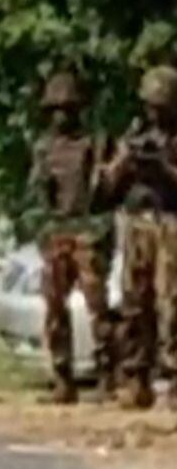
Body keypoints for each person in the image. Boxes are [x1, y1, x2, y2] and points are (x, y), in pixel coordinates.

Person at [28, 72, 117, 403]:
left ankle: (108, 375)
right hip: (58, 231)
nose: (61, 115)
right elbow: (37, 195)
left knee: (98, 309)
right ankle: (63, 379)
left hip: (87, 232)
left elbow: (107, 191)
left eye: (67, 108)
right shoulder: (44, 149)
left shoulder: (93, 145)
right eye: (55, 109)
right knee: (54, 309)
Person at [104, 65, 177, 411]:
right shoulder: (135, 135)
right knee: (135, 303)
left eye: (160, 106)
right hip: (137, 223)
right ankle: (136, 378)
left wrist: (164, 168)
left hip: (170, 221)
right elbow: (107, 187)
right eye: (150, 105)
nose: (154, 113)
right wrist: (126, 162)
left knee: (171, 305)